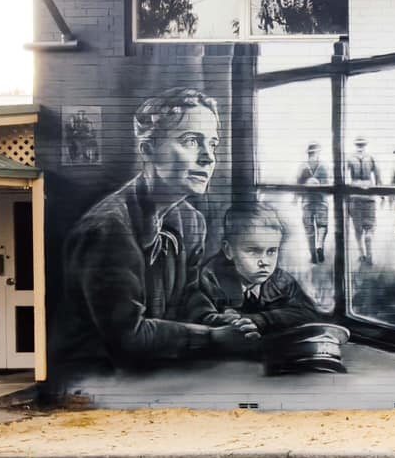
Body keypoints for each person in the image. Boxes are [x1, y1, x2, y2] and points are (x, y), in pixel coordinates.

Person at [61, 87, 253, 367]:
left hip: (160, 369)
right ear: (148, 149)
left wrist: (217, 322)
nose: (208, 157)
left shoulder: (190, 221)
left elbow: (189, 296)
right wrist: (213, 337)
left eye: (212, 144)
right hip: (99, 374)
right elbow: (127, 337)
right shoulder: (107, 229)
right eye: (191, 141)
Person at [189, 200, 325, 340]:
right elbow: (200, 319)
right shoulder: (209, 278)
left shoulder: (281, 280)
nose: (264, 262)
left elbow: (309, 314)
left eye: (271, 251)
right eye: (253, 251)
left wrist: (261, 319)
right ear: (229, 250)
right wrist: (231, 322)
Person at [344, 136, 381, 267]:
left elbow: (344, 178)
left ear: (356, 145)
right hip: (369, 194)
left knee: (357, 229)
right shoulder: (370, 158)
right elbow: (378, 177)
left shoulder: (349, 158)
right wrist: (381, 195)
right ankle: (369, 252)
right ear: (365, 145)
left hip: (354, 195)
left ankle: (361, 254)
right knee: (370, 226)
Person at [297, 142, 331, 264]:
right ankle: (319, 245)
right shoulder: (324, 166)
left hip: (307, 202)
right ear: (317, 153)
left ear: (308, 153)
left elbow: (298, 184)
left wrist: (296, 198)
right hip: (321, 201)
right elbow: (328, 183)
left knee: (309, 229)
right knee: (322, 226)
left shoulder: (302, 167)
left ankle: (312, 256)